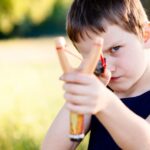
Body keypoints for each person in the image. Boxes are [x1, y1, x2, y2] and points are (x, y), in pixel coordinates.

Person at [42, 0, 150, 149]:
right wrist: (79, 93)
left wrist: (105, 103)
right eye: (93, 58)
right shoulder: (99, 90)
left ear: (146, 35)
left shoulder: (101, 97)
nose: (108, 68)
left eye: (115, 49)